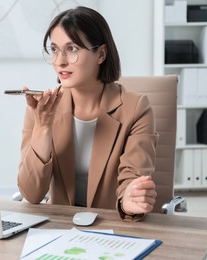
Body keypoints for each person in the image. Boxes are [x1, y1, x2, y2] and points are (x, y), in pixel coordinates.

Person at [17, 6, 158, 221]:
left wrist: (130, 200)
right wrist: (43, 126)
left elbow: (132, 179)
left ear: (100, 54)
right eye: (54, 49)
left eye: (72, 49)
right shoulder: (41, 109)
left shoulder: (136, 109)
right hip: (59, 227)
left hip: (112, 227)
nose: (60, 61)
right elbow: (31, 193)